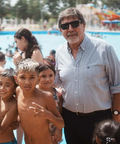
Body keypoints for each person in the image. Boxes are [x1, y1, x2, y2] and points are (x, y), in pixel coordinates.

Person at [55, 7, 120, 144]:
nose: (70, 28)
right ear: (60, 30)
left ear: (83, 25)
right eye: (65, 26)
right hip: (71, 120)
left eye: (75, 24)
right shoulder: (60, 52)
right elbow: (57, 85)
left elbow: (117, 87)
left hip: (101, 119)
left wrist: (116, 118)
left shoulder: (104, 49)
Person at [14, 58, 64, 144]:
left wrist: (49, 116)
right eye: (22, 77)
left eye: (32, 77)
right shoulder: (18, 91)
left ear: (38, 79)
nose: (27, 82)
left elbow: (61, 124)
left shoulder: (46, 97)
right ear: (16, 79)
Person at [37, 60, 63, 144]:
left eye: (50, 75)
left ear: (55, 76)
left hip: (53, 134)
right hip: (36, 133)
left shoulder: (58, 94)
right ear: (37, 77)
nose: (47, 79)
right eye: (43, 76)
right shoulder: (33, 93)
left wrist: (59, 130)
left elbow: (60, 114)